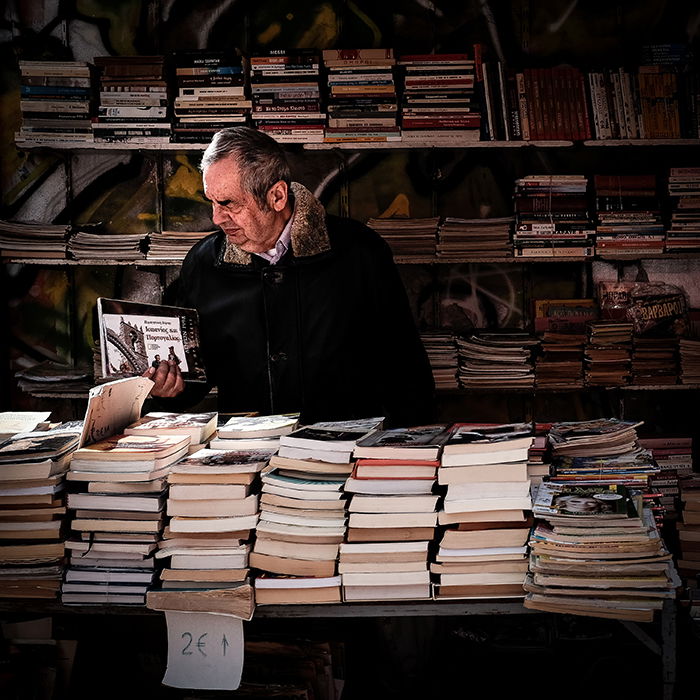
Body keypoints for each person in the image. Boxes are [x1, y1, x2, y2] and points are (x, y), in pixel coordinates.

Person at [146, 126, 434, 427]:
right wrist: (170, 388)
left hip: (345, 450)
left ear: (277, 196)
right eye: (212, 202)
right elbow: (195, 381)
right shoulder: (203, 263)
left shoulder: (360, 253)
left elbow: (406, 371)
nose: (216, 218)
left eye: (229, 203)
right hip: (246, 456)